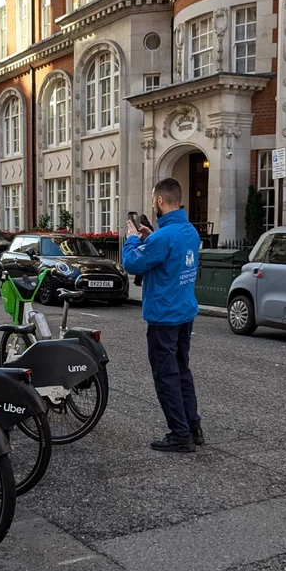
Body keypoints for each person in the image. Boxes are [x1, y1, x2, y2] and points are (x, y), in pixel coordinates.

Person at [123, 178, 203, 453]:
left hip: (164, 316)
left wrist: (132, 239)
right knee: (182, 371)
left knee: (166, 375)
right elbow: (167, 255)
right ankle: (193, 427)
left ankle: (179, 434)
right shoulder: (190, 231)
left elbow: (131, 263)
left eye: (153, 200)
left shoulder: (163, 237)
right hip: (184, 312)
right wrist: (149, 238)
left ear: (159, 200)